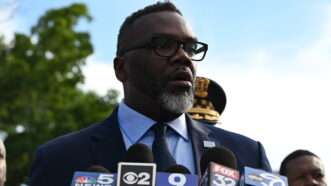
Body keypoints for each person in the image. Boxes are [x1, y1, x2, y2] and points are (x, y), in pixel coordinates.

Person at [29, 2, 271, 185]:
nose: (183, 57)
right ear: (122, 68)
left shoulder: (248, 155)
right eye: (163, 45)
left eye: (190, 48)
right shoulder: (59, 159)